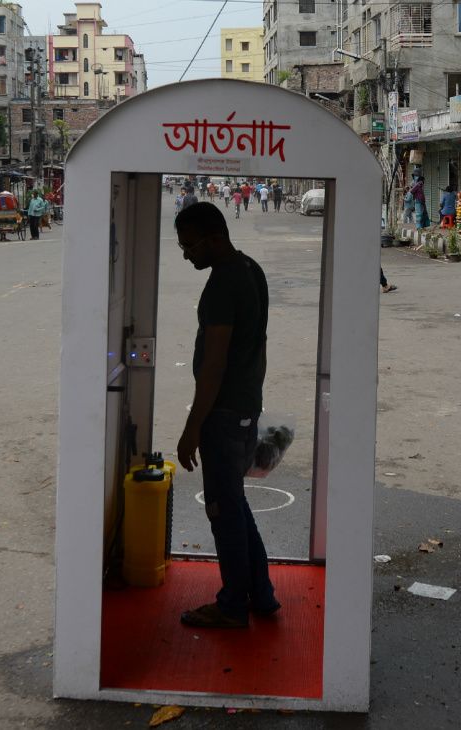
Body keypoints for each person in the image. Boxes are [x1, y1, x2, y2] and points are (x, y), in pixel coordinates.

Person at [173, 202, 277, 629]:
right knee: (234, 503)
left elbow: (213, 366)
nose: (186, 254)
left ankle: (234, 604)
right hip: (246, 408)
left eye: (190, 245)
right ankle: (262, 594)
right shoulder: (250, 268)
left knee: (222, 510)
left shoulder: (222, 286)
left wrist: (192, 427)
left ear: (214, 237)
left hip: (223, 413)